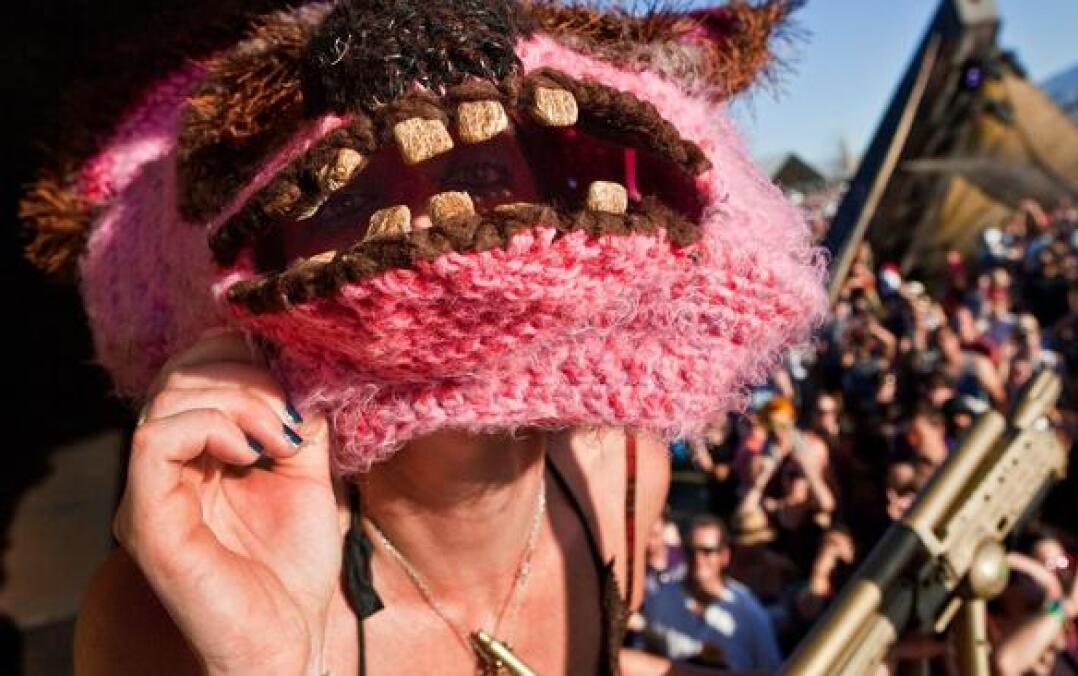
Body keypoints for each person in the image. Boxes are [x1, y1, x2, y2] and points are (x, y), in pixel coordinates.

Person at [23, 1, 827, 674]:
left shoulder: (622, 472)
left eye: (496, 162)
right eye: (357, 199)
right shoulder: (163, 614)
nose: (445, 193)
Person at [640, 515, 783, 671]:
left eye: (707, 551)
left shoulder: (748, 611)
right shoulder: (660, 600)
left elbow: (771, 668)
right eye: (691, 550)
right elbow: (647, 656)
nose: (698, 558)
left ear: (724, 556)